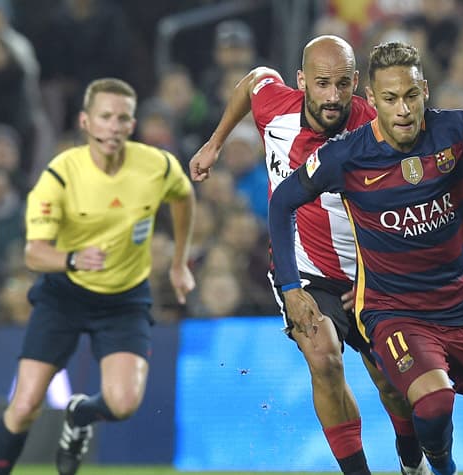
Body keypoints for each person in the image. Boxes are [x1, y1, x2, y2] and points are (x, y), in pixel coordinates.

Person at [268, 41, 463, 475]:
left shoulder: (458, 131)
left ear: (425, 91)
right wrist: (290, 287)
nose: (403, 110)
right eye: (390, 99)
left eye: (411, 96)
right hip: (394, 311)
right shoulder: (346, 155)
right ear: (371, 100)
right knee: (433, 402)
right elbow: (282, 203)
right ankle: (441, 468)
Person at [189, 35, 429, 475]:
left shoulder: (378, 128)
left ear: (357, 83)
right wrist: (216, 142)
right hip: (304, 269)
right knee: (324, 357)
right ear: (301, 81)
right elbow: (253, 81)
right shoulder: (274, 109)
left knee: (391, 384)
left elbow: (411, 207)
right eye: (321, 84)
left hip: (370, 273)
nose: (332, 96)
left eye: (342, 85)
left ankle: (411, 463)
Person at [0, 77, 196, 475]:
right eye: (105, 117)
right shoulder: (61, 175)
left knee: (123, 404)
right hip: (64, 295)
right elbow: (33, 253)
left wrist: (179, 262)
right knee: (25, 405)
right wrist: (72, 259)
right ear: (85, 122)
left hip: (124, 298)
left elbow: (184, 196)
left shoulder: (156, 166)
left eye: (122, 119)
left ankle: (80, 415)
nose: (113, 127)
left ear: (132, 126)